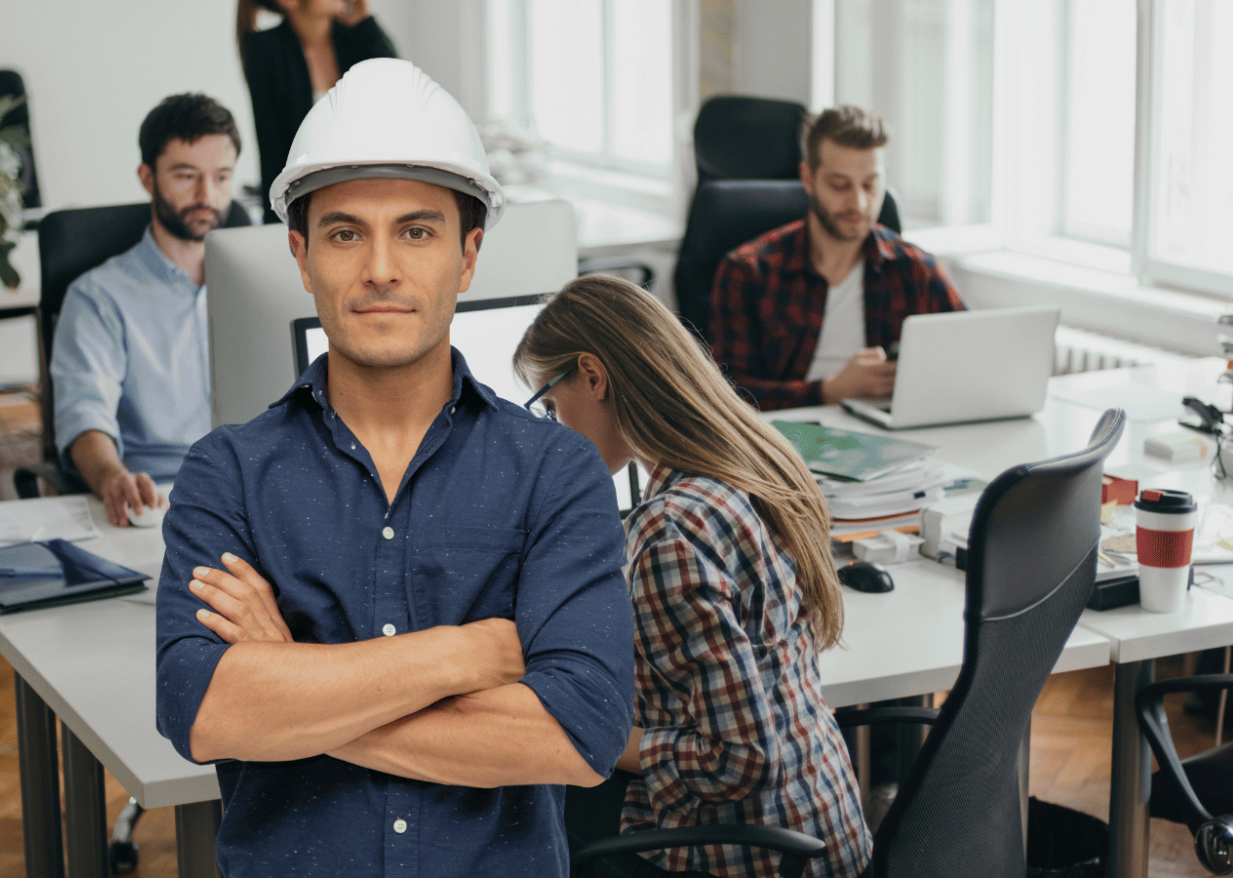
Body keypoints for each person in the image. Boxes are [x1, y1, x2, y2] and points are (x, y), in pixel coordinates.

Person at [156, 59, 635, 877]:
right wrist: (471, 654)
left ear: (469, 254)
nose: (381, 268)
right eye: (346, 233)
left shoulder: (556, 473)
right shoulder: (226, 473)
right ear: (302, 258)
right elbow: (203, 712)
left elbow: (578, 735)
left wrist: (294, 684)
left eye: (416, 231)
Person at [519, 275, 872, 878]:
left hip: (745, 854)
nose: (551, 429)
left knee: (537, 804)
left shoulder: (670, 531)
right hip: (825, 820)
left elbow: (740, 759)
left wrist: (598, 733)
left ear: (594, 376)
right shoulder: (757, 461)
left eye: (550, 406)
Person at [49, 94, 238, 526]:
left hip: (266, 488)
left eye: (222, 176)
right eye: (186, 176)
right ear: (147, 178)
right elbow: (84, 415)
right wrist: (111, 475)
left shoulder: (275, 280)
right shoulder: (98, 296)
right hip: (162, 496)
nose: (207, 195)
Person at [708, 105, 966, 411]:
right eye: (840, 185)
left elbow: (970, 361)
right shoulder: (748, 271)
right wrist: (830, 391)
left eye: (870, 185)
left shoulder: (917, 270)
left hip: (891, 435)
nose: (857, 203)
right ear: (808, 178)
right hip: (785, 438)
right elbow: (724, 396)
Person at [238, 0, 398, 222]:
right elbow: (272, 149)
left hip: (375, 198)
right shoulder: (265, 49)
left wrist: (366, 23)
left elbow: (399, 94)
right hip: (310, 208)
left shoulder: (357, 38)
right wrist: (277, 226)